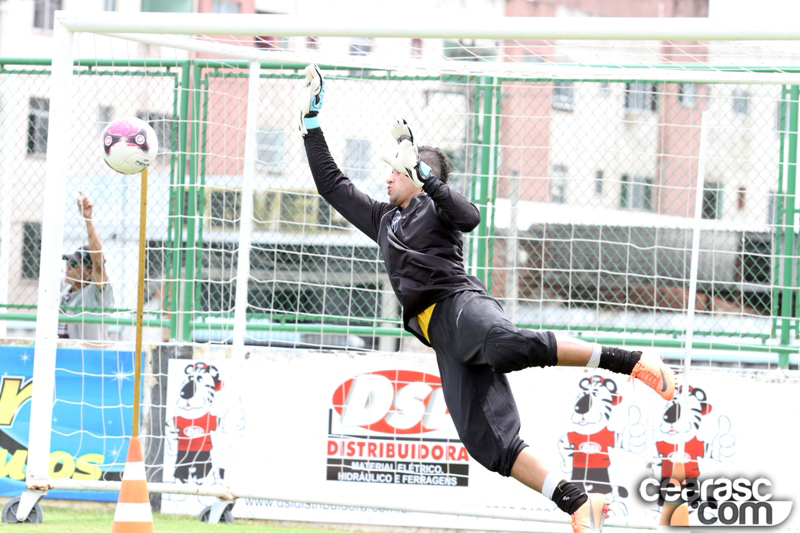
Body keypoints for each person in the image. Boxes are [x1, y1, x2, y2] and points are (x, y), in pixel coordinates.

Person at [299, 64, 676, 533]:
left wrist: (424, 175)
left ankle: (634, 361)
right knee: (487, 443)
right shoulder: (382, 220)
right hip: (441, 334)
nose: (387, 177)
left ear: (420, 173)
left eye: (397, 169)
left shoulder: (436, 206)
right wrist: (312, 125)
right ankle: (579, 502)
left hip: (461, 305)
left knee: (506, 345)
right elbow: (332, 185)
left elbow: (470, 216)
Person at [60, 192, 115, 341]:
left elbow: (98, 262)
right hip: (61, 354)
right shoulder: (65, 289)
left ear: (88, 271)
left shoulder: (96, 294)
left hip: (88, 356)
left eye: (73, 264)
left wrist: (88, 220)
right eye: (68, 263)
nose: (68, 268)